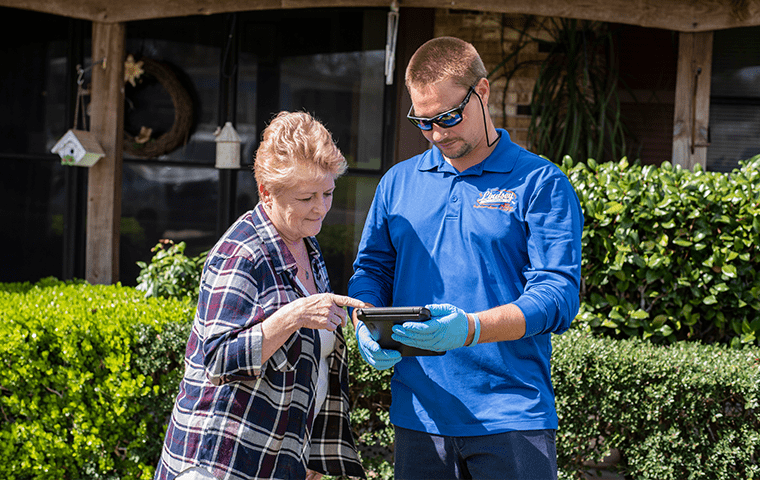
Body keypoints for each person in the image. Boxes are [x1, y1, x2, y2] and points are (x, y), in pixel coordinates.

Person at [348, 37, 583, 479]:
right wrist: (364, 320)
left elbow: (558, 296)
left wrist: (470, 329)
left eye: (450, 116)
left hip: (511, 415)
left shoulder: (541, 183)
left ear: (484, 91)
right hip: (418, 415)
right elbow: (371, 271)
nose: (438, 133)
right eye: (424, 122)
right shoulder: (397, 183)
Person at [155, 111, 367, 480]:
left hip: (275, 463)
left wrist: (309, 455)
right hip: (218, 465)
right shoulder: (242, 254)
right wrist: (293, 316)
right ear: (267, 193)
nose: (321, 207)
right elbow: (218, 361)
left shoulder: (305, 243)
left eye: (328, 193)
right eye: (306, 197)